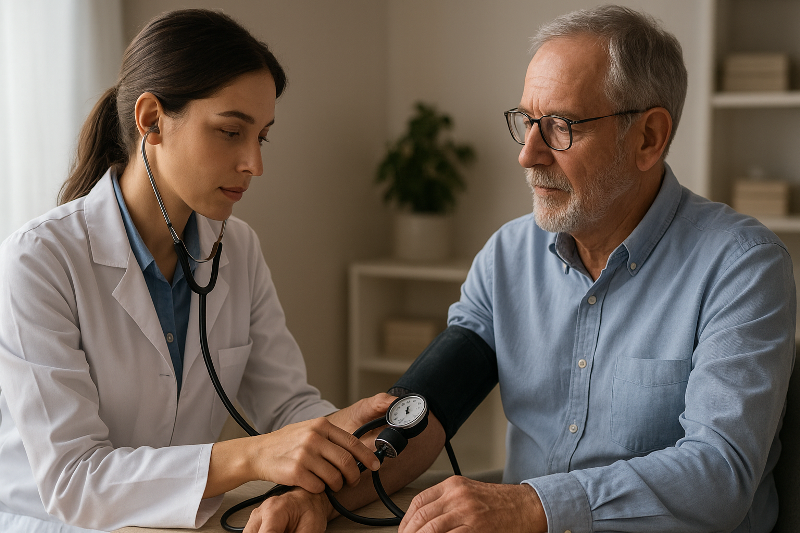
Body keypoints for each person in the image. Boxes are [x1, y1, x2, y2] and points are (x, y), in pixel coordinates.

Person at [252, 5, 797, 533]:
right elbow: (423, 412)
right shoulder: (508, 257)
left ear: (648, 138)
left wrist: (531, 506)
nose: (528, 154)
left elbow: (721, 475)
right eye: (527, 121)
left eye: (561, 126)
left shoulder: (742, 268)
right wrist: (315, 495)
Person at [0, 9, 393, 533]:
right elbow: (75, 481)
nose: (254, 164)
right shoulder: (40, 261)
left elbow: (285, 403)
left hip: (179, 522)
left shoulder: (239, 249)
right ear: (152, 120)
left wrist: (340, 431)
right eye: (230, 131)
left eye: (262, 137)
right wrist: (252, 457)